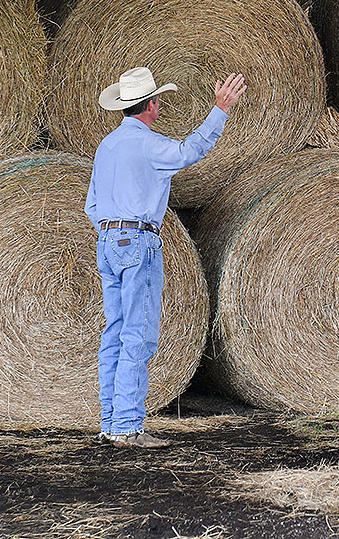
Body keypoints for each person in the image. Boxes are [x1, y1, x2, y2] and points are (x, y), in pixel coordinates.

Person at [86, 67, 246, 448]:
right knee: (138, 335)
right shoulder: (147, 143)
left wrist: (114, 232)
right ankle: (127, 426)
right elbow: (190, 151)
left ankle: (111, 422)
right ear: (152, 105)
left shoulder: (106, 146)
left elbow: (92, 205)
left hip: (107, 242)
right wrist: (219, 110)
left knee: (115, 332)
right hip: (138, 242)